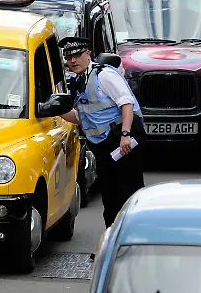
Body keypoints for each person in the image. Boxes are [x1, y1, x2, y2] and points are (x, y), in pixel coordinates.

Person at [58, 37, 145, 227]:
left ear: (88, 54)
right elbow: (83, 118)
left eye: (77, 55)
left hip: (122, 141)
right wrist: (54, 109)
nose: (73, 61)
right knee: (110, 197)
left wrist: (125, 135)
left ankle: (134, 243)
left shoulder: (104, 75)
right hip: (104, 146)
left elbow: (127, 102)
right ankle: (111, 243)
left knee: (127, 194)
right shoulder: (80, 81)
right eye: (68, 56)